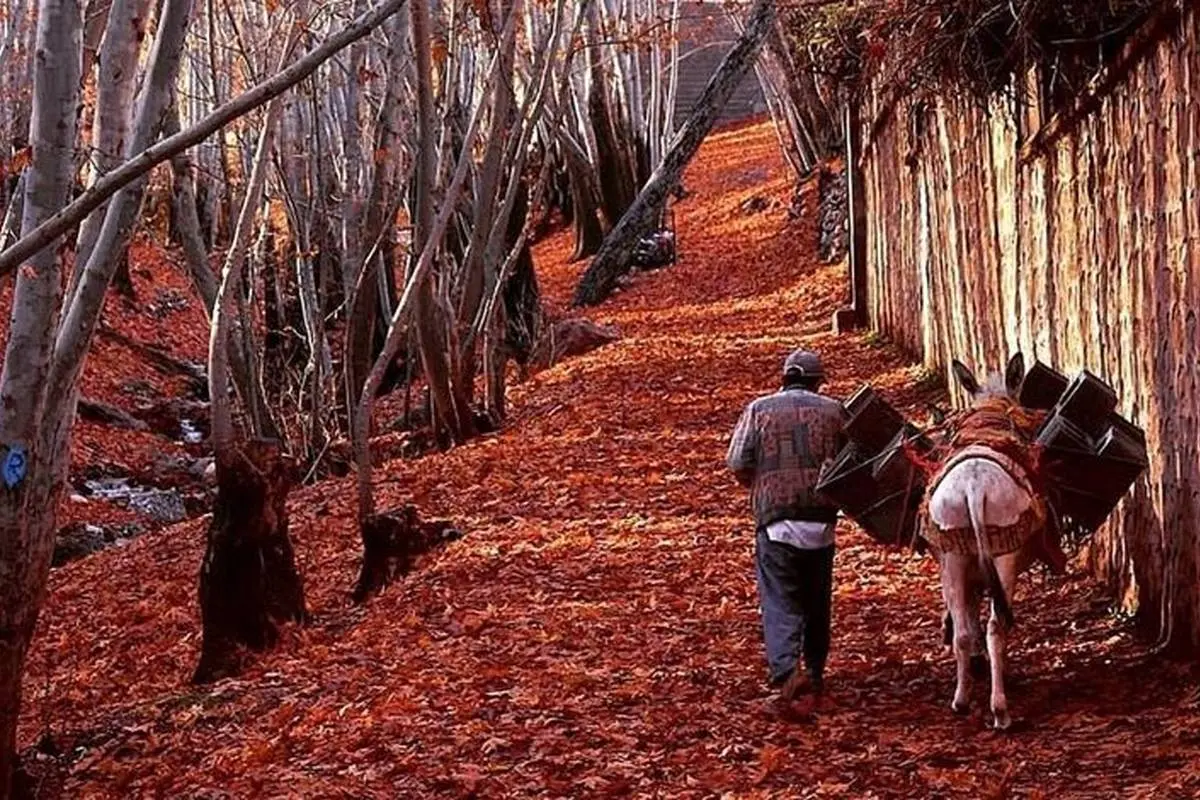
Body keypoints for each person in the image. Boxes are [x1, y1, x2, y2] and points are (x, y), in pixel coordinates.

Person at [726, 349, 847, 701]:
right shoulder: (834, 410)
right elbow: (850, 461)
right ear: (816, 382)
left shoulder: (758, 410)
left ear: (784, 378)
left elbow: (737, 460)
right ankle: (815, 668)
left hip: (776, 521)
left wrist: (759, 483)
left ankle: (785, 670)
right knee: (816, 597)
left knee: (780, 598)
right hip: (821, 523)